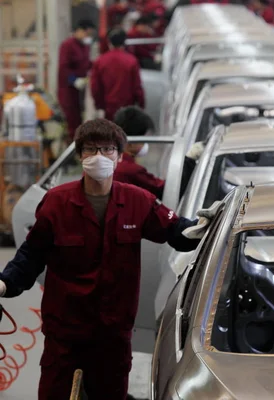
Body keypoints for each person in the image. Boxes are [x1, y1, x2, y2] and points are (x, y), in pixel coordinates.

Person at [0, 119, 211, 400]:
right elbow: (31, 255)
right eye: (91, 149)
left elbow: (177, 232)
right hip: (65, 332)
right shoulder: (56, 202)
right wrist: (4, 283)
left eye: (108, 149)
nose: (99, 156)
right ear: (80, 156)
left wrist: (206, 225)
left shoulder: (138, 201)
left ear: (120, 156)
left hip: (112, 333)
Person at [112, 106, 204, 198]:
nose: (145, 144)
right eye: (143, 140)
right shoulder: (131, 171)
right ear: (130, 142)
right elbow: (167, 192)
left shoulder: (109, 160)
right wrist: (189, 160)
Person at [90, 29, 145, 121]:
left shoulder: (100, 61)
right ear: (124, 43)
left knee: (111, 133)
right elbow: (137, 87)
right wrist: (141, 105)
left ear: (109, 43)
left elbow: (95, 87)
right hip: (128, 108)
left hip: (109, 107)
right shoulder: (131, 61)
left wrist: (99, 105)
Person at [57, 19, 96, 144]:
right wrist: (73, 80)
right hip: (68, 89)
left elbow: (86, 63)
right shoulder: (67, 45)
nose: (88, 37)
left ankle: (78, 146)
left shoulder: (84, 46)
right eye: (87, 33)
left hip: (80, 89)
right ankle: (71, 150)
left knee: (79, 119)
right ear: (79, 31)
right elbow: (63, 67)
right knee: (71, 120)